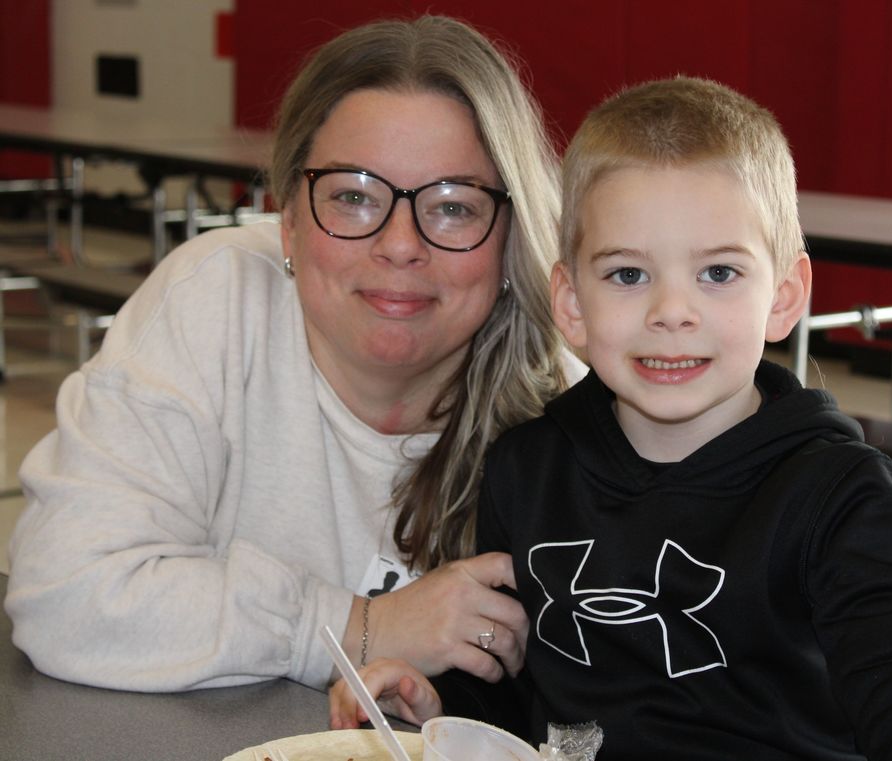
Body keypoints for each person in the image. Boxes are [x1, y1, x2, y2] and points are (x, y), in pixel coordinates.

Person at [330, 77, 892, 760]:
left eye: (718, 274)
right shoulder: (528, 469)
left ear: (784, 296)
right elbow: (519, 687)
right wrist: (438, 702)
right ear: (572, 304)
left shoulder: (839, 493)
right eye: (628, 275)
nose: (671, 312)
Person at [4, 15, 583, 692]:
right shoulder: (216, 301)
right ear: (288, 225)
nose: (401, 244)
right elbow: (65, 590)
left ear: (509, 237)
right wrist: (360, 628)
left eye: (453, 206)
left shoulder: (568, 402)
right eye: (353, 197)